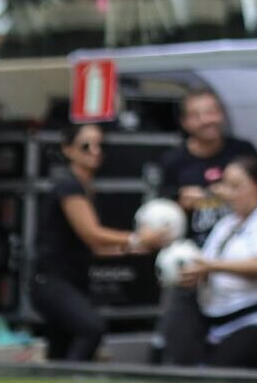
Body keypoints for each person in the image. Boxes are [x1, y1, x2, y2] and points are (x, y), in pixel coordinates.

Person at [31, 122, 169, 362]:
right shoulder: (69, 186)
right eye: (86, 145)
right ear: (68, 150)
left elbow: (95, 247)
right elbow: (92, 234)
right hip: (53, 281)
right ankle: (72, 379)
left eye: (100, 145)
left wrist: (137, 248)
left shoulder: (85, 188)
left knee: (62, 344)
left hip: (71, 280)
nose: (95, 151)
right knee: (90, 328)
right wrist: (137, 237)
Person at [166, 154, 257, 371]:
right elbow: (207, 262)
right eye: (226, 185)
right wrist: (193, 273)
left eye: (236, 186)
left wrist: (211, 267)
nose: (229, 194)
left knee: (219, 373)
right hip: (220, 321)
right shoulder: (226, 223)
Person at [158, 87, 257, 241]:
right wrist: (181, 206)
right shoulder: (173, 160)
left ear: (223, 114)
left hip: (242, 242)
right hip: (192, 246)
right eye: (196, 115)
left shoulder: (243, 151)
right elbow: (160, 211)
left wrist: (228, 195)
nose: (206, 120)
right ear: (184, 122)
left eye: (211, 112)